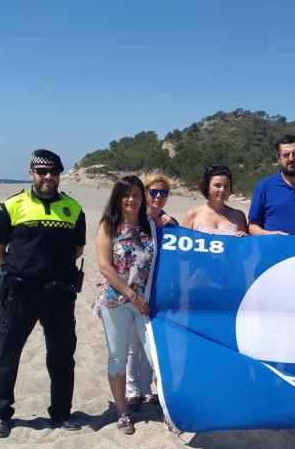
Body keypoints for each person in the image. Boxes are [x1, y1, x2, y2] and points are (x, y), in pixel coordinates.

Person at [0, 149, 85, 438]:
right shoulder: (10, 206)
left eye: (53, 172)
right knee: (8, 355)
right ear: (31, 173)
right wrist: (19, 274)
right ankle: (1, 415)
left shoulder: (73, 209)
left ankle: (61, 413)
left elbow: (77, 250)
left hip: (59, 295)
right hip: (19, 295)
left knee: (62, 357)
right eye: (42, 172)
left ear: (59, 175)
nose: (48, 177)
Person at [95, 175, 156, 435]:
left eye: (137, 195)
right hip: (116, 301)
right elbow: (104, 266)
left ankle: (169, 406)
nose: (131, 199)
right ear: (118, 197)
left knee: (156, 356)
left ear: (142, 199)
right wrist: (131, 295)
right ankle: (123, 413)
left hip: (147, 303)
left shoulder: (150, 225)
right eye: (126, 194)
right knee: (118, 359)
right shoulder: (109, 224)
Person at [124, 174, 178, 412]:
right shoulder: (137, 219)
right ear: (145, 193)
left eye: (163, 193)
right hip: (133, 288)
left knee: (150, 343)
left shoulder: (170, 223)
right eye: (153, 192)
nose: (158, 197)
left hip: (157, 290)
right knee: (133, 344)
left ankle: (146, 390)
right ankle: (132, 391)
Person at [182, 164, 248, 236]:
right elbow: (182, 244)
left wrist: (243, 236)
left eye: (226, 186)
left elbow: (247, 245)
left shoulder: (238, 216)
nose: (222, 190)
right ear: (207, 187)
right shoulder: (192, 215)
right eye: (217, 185)